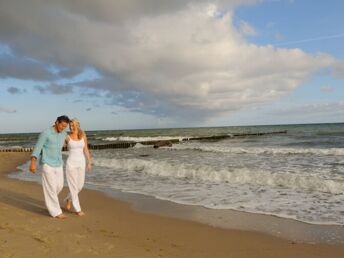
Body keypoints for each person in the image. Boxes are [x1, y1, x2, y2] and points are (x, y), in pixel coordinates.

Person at [30, 115, 70, 219]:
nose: (63, 128)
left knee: (59, 186)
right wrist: (33, 163)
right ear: (57, 122)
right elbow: (37, 148)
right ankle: (56, 212)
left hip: (59, 163)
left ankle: (50, 203)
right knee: (51, 188)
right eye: (62, 125)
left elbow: (72, 141)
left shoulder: (64, 133)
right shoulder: (46, 133)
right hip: (47, 163)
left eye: (65, 126)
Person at [64, 118, 91, 216]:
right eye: (70, 126)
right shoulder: (67, 137)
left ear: (77, 125)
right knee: (73, 186)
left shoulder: (83, 135)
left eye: (73, 125)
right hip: (71, 163)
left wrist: (89, 162)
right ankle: (78, 209)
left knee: (80, 185)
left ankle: (68, 198)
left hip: (81, 163)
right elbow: (57, 144)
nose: (71, 127)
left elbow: (86, 150)